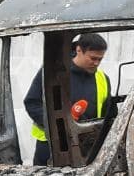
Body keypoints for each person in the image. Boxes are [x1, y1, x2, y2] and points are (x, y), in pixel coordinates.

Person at [24, 32, 112, 166]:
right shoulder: (52, 72)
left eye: (100, 59)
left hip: (87, 148)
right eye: (93, 58)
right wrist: (59, 128)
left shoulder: (102, 78)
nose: (96, 63)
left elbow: (107, 112)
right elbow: (32, 103)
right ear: (79, 50)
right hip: (51, 147)